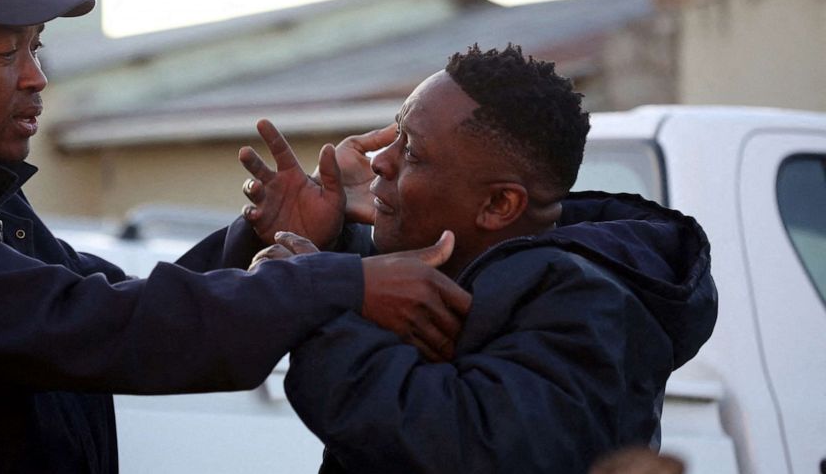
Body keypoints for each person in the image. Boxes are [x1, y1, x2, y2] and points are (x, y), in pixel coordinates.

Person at [0, 0, 472, 473]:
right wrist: (339, 283)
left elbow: (122, 301)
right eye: (7, 53)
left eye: (36, 46)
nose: (37, 78)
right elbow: (94, 327)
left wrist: (262, 238)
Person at [238, 44, 718, 473]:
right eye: (395, 135)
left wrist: (319, 297)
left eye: (414, 153)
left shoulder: (586, 308)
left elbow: (458, 448)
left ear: (498, 206)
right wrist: (328, 243)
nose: (380, 160)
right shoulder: (475, 269)